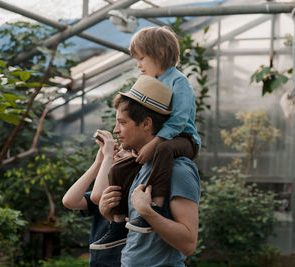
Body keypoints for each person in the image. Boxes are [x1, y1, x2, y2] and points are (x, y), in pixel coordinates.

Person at [91, 26, 201, 249]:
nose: (139, 65)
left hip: (183, 139)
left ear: (160, 52)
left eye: (142, 58)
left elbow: (179, 120)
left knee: (164, 150)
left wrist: (155, 142)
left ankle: (156, 204)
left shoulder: (179, 82)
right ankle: (119, 223)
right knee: (119, 169)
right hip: (161, 140)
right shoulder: (152, 82)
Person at [99, 75, 201, 266]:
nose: (115, 130)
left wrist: (148, 212)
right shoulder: (140, 167)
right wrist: (110, 215)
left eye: (122, 123)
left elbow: (188, 243)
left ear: (146, 124)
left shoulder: (178, 169)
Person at [62, 133, 128, 267]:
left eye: (126, 151)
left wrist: (108, 157)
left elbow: (97, 197)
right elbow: (70, 201)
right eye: (119, 149)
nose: (119, 153)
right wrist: (98, 162)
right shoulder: (107, 188)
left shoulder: (130, 192)